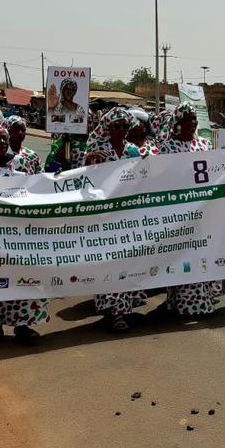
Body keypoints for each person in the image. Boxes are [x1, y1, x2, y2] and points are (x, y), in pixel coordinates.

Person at [0, 123, 49, 342]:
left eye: (5, 139)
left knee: (22, 281)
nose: (3, 143)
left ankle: (23, 325)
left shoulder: (20, 169)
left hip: (17, 238)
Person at [81, 108, 147, 330]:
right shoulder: (97, 150)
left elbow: (143, 179)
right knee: (110, 262)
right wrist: (87, 162)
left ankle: (123, 308)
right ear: (107, 127)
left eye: (124, 126)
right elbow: (82, 180)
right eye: (115, 125)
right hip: (104, 217)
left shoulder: (133, 151)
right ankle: (114, 310)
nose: (120, 130)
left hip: (128, 216)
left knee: (126, 262)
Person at [156, 102, 221, 317]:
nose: (192, 123)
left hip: (203, 212)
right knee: (183, 257)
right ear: (178, 122)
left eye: (194, 119)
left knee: (202, 254)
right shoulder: (168, 148)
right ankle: (186, 304)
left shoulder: (204, 145)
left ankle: (203, 300)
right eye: (188, 119)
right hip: (180, 215)